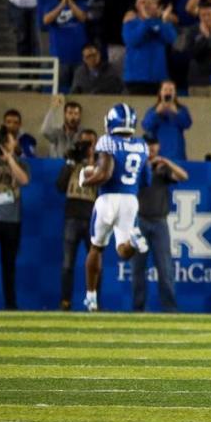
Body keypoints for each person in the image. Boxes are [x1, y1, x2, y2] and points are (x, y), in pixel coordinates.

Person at [77, 103, 151, 312]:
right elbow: (147, 179)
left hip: (108, 199)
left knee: (96, 247)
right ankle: (134, 241)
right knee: (123, 251)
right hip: (130, 199)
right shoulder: (141, 145)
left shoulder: (107, 141)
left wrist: (85, 181)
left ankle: (91, 297)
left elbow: (105, 174)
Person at [130, 136, 188, 312]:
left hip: (159, 222)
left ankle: (170, 309)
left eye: (154, 145)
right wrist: (145, 165)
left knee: (165, 268)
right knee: (137, 269)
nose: (151, 149)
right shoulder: (137, 167)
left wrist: (165, 162)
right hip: (139, 221)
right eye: (148, 146)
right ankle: (138, 309)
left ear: (158, 146)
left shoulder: (161, 169)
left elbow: (184, 176)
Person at [0, 127, 32, 310]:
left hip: (12, 220)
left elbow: (24, 180)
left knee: (9, 265)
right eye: (2, 143)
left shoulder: (20, 162)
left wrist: (10, 158)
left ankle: (10, 305)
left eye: (9, 141)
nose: (4, 145)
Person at [56, 128, 98, 310]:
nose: (87, 146)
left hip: (93, 218)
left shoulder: (102, 163)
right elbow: (59, 185)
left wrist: (92, 161)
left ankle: (94, 301)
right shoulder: (72, 161)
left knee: (95, 263)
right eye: (84, 142)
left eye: (91, 143)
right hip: (72, 217)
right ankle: (65, 302)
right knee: (67, 264)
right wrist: (72, 161)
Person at [122, 0, 177, 95]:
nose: (146, 5)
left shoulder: (162, 23)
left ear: (156, 5)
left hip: (159, 78)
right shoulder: (130, 23)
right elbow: (133, 40)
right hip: (136, 78)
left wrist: (164, 21)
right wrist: (146, 21)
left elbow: (171, 39)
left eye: (150, 2)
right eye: (142, 3)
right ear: (136, 6)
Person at [142, 80, 192, 161]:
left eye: (171, 90)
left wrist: (176, 112)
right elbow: (146, 126)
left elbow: (187, 124)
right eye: (165, 89)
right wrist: (156, 112)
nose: (168, 92)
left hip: (177, 155)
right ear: (160, 92)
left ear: (175, 93)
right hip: (159, 155)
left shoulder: (181, 109)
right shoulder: (153, 110)